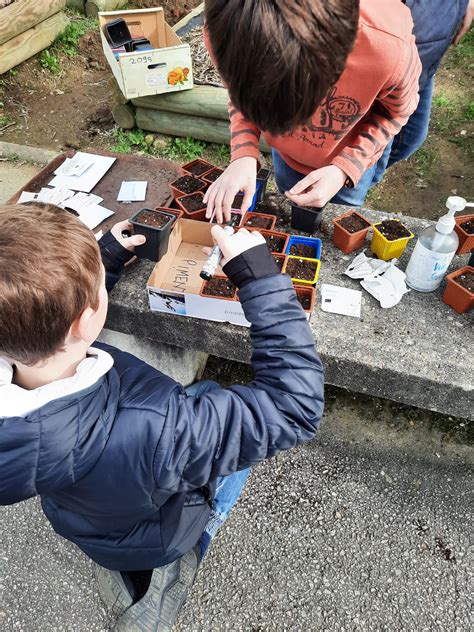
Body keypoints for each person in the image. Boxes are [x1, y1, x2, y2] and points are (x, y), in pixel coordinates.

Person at [0, 203, 324, 630]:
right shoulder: (165, 427)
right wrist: (261, 280)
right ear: (84, 320)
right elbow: (295, 406)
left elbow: (47, 319)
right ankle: (182, 559)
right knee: (220, 424)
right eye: (99, 288)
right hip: (164, 530)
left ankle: (120, 566)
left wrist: (106, 261)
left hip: (83, 521)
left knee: (204, 397)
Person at [204, 0, 422, 222]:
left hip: (343, 161)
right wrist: (243, 153)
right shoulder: (226, 27)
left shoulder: (388, 47)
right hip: (287, 159)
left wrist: (345, 169)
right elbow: (240, 91)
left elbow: (394, 113)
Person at [333, 0, 473, 205]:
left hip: (421, 49)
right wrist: (347, 168)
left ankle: (360, 176)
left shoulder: (399, 55)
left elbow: (393, 115)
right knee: (350, 186)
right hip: (370, 55)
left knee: (410, 138)